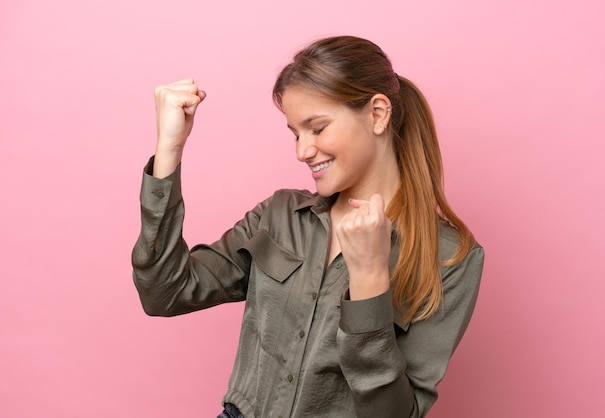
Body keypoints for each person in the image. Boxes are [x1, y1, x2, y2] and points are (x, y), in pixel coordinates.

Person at [132, 35, 484, 418]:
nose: (302, 151)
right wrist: (170, 149)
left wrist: (369, 280)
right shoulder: (279, 215)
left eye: (316, 128)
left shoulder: (451, 258)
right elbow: (164, 293)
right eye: (295, 133)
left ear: (378, 114)